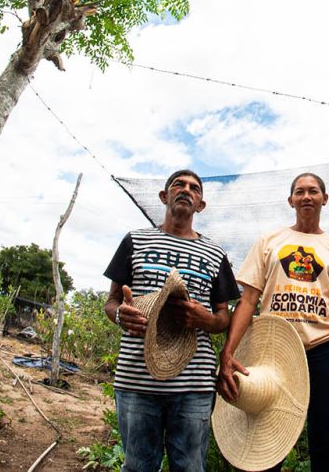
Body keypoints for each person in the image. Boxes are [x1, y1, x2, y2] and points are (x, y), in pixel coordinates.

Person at [219, 172, 329, 472]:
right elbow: (248, 300)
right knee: (268, 419)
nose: (306, 196)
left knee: (323, 429)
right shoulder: (269, 241)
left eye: (313, 191)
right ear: (290, 200)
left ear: (325, 199)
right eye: (300, 192)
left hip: (325, 347)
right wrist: (228, 352)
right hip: (276, 348)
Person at [104, 169, 240, 472]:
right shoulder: (135, 240)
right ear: (164, 196)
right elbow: (111, 301)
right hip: (136, 378)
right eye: (179, 184)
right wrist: (121, 315)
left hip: (194, 383)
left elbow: (224, 317)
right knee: (137, 466)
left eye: (194, 188)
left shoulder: (215, 253)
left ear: (200, 205)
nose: (186, 190)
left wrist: (205, 319)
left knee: (190, 467)